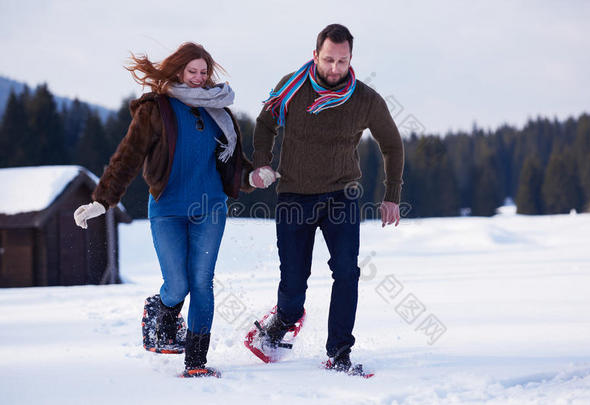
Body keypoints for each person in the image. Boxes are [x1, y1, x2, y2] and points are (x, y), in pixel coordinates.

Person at [73, 42, 253, 378]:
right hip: (168, 209)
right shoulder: (155, 109)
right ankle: (162, 311)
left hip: (210, 208)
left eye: (204, 72)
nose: (199, 78)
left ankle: (196, 361)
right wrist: (102, 200)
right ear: (179, 70)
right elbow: (128, 156)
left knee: (202, 282)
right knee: (177, 284)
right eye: (192, 71)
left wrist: (254, 175)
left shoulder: (219, 112)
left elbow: (234, 164)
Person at [249, 24, 404, 373]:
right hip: (294, 195)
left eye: (343, 61)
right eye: (329, 60)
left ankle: (339, 353)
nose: (335, 68)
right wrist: (261, 163)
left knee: (347, 272)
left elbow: (392, 144)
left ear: (351, 58)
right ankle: (282, 321)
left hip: (342, 195)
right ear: (315, 55)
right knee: (293, 282)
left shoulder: (365, 99)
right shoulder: (291, 87)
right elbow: (265, 123)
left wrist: (391, 195)